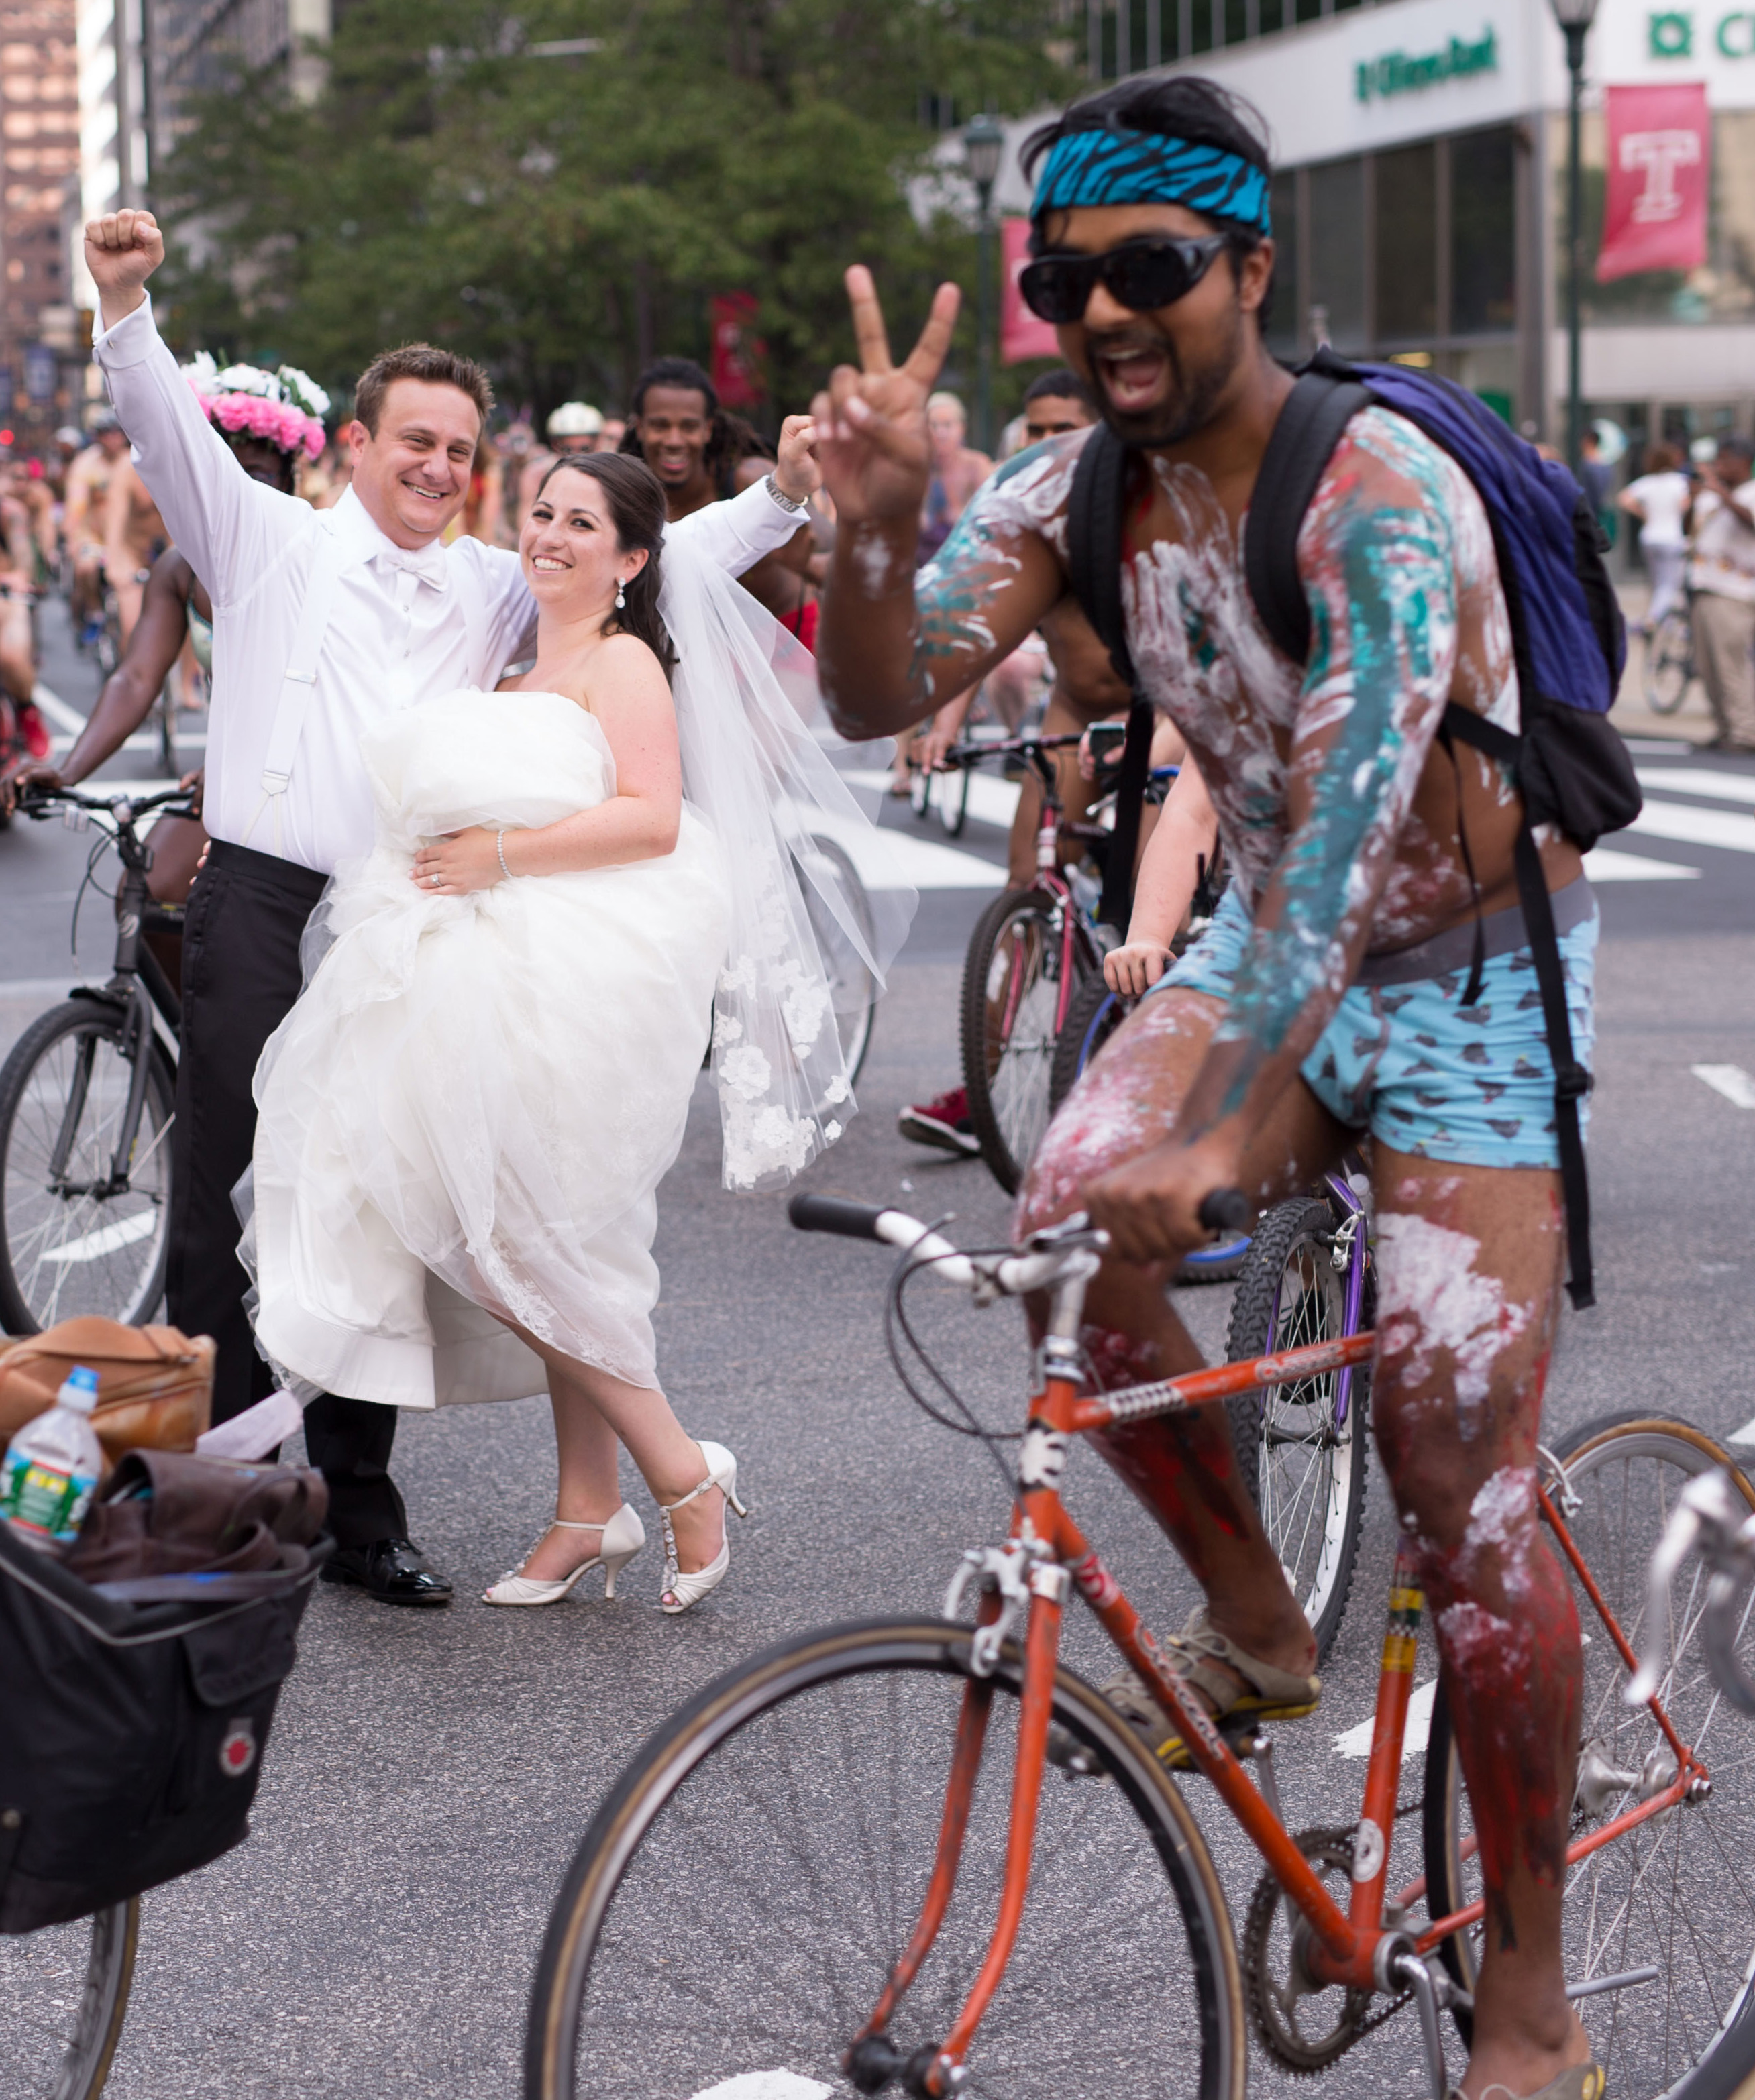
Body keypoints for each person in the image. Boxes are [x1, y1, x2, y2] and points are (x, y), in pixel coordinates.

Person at [812, 73, 1601, 2100]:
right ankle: (1257, 1623)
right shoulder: (1071, 490)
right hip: (1268, 934)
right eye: (1059, 280)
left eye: (1146, 266)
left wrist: (1233, 1130)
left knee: (1456, 1475)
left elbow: (1347, 845)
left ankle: (1531, 2001)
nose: (1099, 311)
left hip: (1463, 971)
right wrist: (879, 532)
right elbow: (877, 694)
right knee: (1061, 1214)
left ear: (1248, 266)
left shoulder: (1371, 499)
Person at [83, 203, 821, 1608]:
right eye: (413, 440)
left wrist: (780, 496)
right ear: (356, 444)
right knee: (227, 1199)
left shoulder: (494, 585)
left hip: (404, 920)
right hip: (263, 901)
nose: (437, 467)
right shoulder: (264, 542)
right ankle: (222, 1507)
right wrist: (126, 308)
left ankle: (357, 1515)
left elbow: (647, 560)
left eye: (459, 451)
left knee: (383, 1200)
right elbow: (167, 434)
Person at [244, 449, 900, 1614]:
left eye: (582, 523)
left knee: (512, 1241)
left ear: (632, 558)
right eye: (542, 512)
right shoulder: (507, 670)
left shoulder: (625, 659)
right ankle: (588, 1510)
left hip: (579, 972)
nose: (549, 534)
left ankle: (681, 1471)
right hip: (478, 969)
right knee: (551, 1238)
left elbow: (652, 818)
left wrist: (495, 855)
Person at [898, 366, 1189, 1159]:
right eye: (1036, 428)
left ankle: (1152, 1075)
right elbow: (978, 633)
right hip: (1069, 715)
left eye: (1066, 427)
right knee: (1026, 885)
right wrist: (941, 725)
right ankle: (986, 1087)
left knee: (1151, 905)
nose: (1048, 442)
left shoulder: (1143, 504)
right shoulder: (1028, 516)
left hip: (1157, 717)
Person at [1, 361, 317, 979]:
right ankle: (187, 1035)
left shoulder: (315, 560)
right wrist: (68, 769)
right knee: (145, 895)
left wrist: (237, 762)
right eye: (227, 471)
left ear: (290, 480)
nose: (241, 489)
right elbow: (136, 678)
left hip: (313, 779)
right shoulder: (179, 568)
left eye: (259, 475)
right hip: (234, 776)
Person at [620, 357, 818, 639]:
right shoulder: (623, 499)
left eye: (689, 426)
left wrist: (805, 558)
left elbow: (827, 552)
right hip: (691, 648)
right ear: (639, 427)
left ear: (708, 429)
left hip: (785, 634)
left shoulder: (752, 481)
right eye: (660, 425)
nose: (674, 440)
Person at [1685, 437, 1755, 753]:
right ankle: (1724, 726)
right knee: (1708, 665)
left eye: (1726, 460)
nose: (1720, 466)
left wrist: (1721, 494)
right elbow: (1689, 529)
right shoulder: (1711, 496)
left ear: (1745, 462)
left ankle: (1745, 732)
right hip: (1704, 584)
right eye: (1718, 460)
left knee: (1731, 664)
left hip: (1734, 591)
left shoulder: (1749, 493)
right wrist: (1693, 499)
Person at [64, 412, 130, 640]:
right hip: (93, 536)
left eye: (116, 434)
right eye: (106, 434)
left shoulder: (132, 461)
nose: (112, 439)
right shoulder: (86, 464)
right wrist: (72, 539)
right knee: (86, 567)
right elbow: (76, 505)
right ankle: (94, 613)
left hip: (128, 538)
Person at [1617, 441, 1691, 636]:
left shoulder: (1647, 482)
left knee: (1658, 582)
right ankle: (1653, 619)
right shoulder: (1679, 481)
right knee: (1669, 584)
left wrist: (1645, 514)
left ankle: (1664, 620)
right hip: (1671, 538)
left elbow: (1624, 498)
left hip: (1649, 536)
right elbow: (1686, 504)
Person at [916, 391, 993, 568]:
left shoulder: (976, 464)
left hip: (968, 558)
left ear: (962, 428)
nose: (940, 433)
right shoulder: (919, 467)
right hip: (925, 560)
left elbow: (991, 515)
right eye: (933, 425)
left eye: (947, 425)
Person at [101, 445, 170, 642]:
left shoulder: (178, 465)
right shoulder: (126, 468)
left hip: (168, 554)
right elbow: (115, 520)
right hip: (131, 552)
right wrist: (114, 563)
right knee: (133, 627)